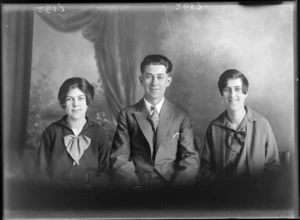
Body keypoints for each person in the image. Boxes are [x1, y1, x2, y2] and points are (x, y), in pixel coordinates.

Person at [111, 54, 199, 190]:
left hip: (172, 186)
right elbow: (120, 158)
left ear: (168, 81)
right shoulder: (127, 114)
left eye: (160, 77)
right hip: (138, 185)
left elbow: (190, 158)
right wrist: (134, 187)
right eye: (149, 76)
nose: (154, 83)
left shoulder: (181, 115)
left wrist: (177, 190)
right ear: (141, 80)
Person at [200, 69, 280, 184]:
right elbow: (206, 169)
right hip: (223, 196)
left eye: (237, 89)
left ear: (246, 93)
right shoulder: (213, 128)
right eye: (227, 90)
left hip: (256, 195)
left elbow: (273, 167)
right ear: (222, 94)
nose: (232, 95)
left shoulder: (262, 124)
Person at [36, 77, 110, 189]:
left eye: (81, 98)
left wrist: (92, 186)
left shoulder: (99, 132)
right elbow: (41, 173)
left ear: (88, 101)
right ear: (63, 103)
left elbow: (106, 173)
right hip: (56, 196)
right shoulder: (51, 132)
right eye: (69, 99)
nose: (75, 104)